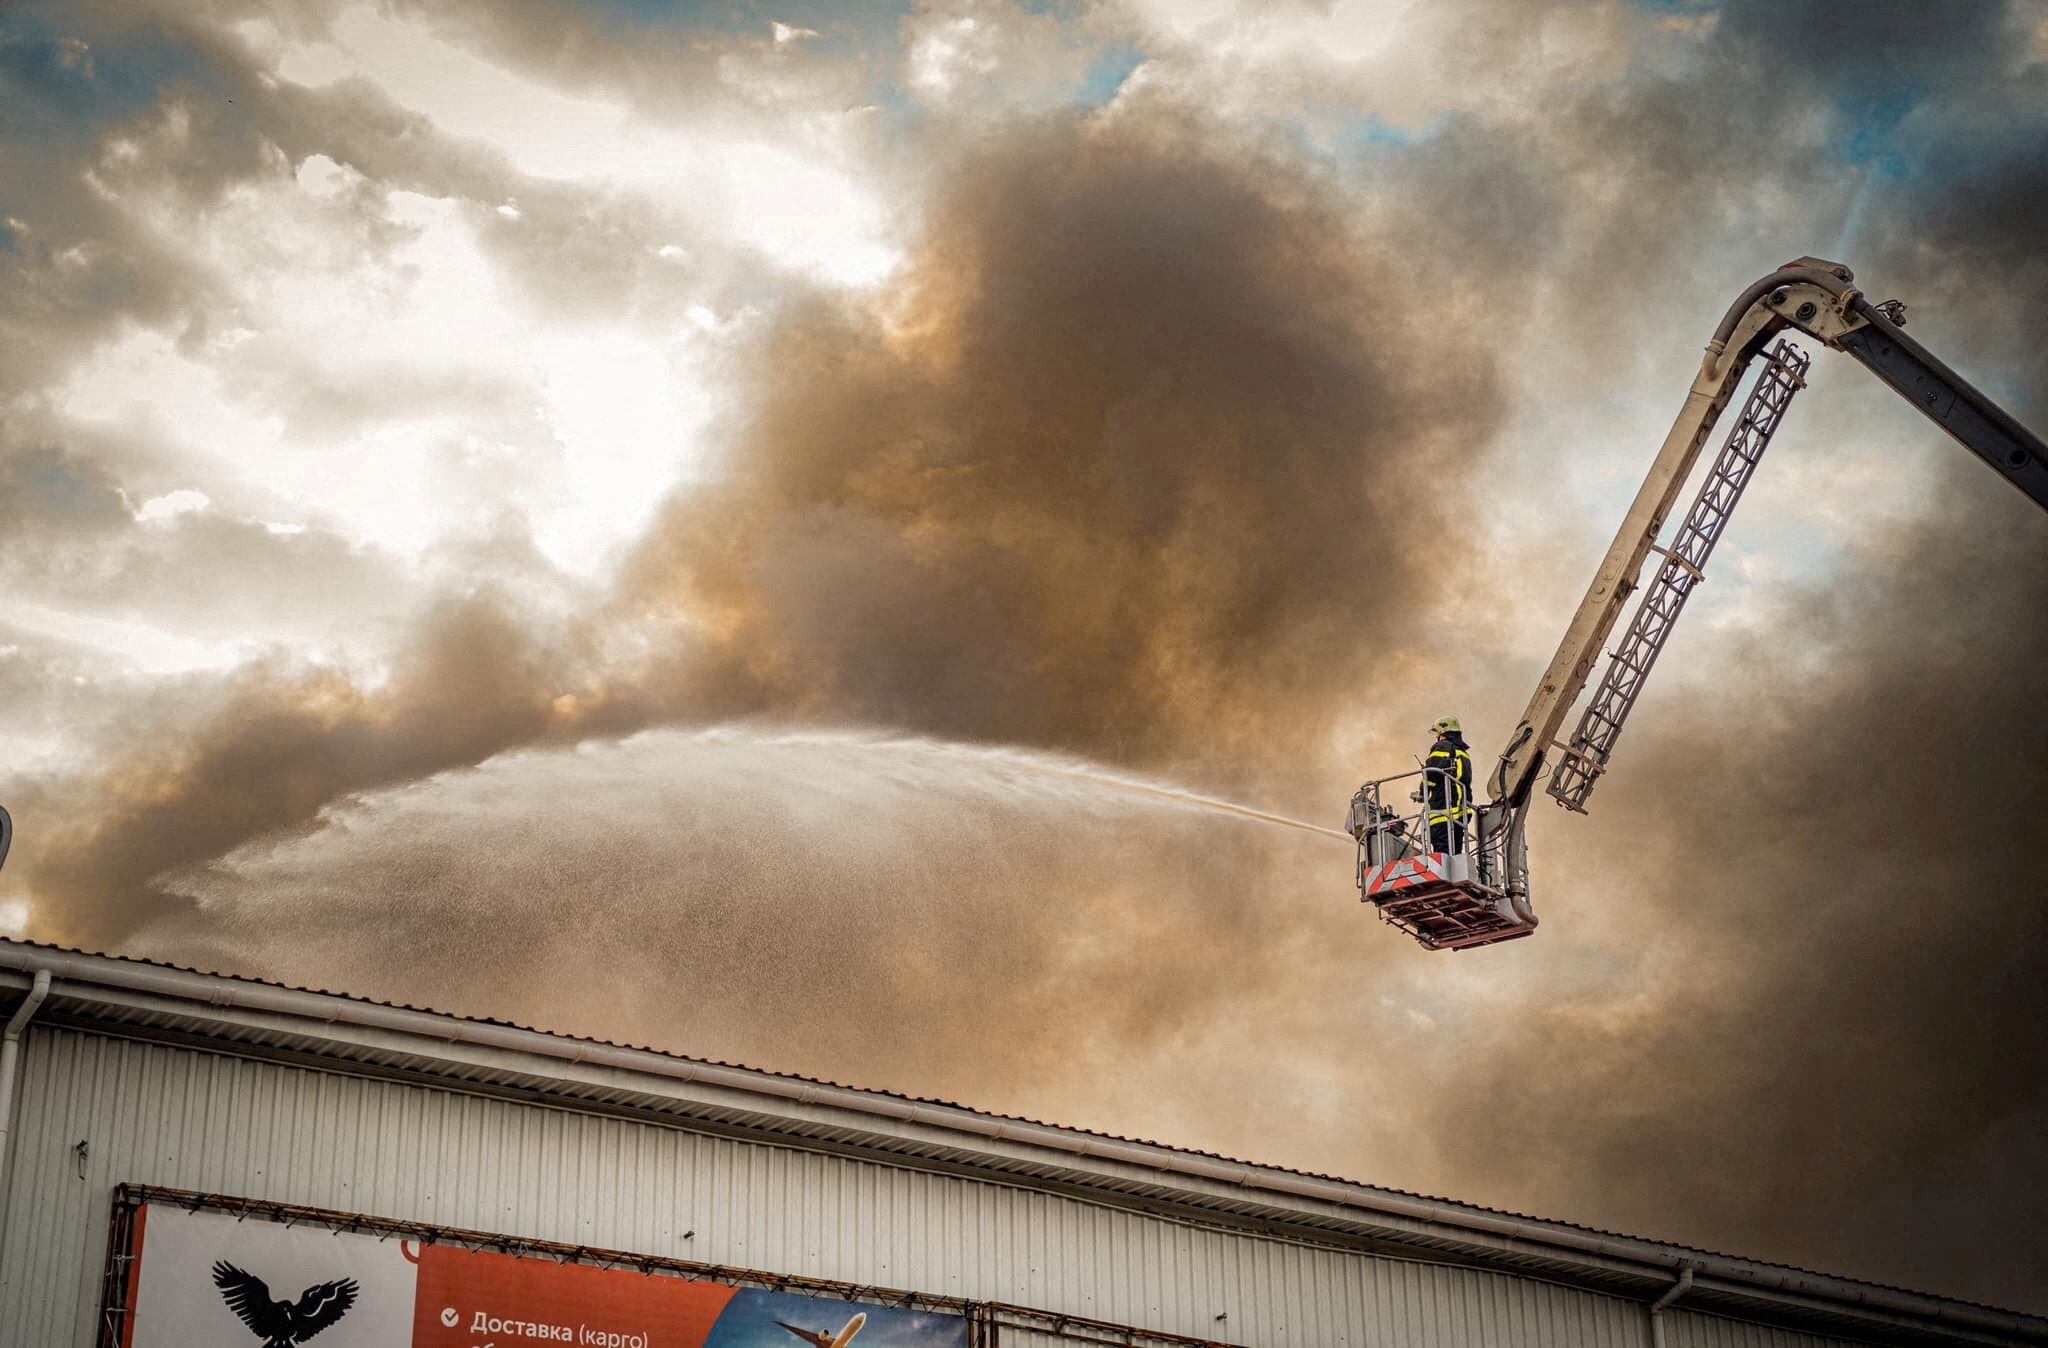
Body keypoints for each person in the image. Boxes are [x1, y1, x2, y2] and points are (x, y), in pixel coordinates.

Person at [1425, 715, 1472, 855]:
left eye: (1437, 733)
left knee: (1442, 853)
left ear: (1443, 732)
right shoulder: (1462, 753)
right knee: (1455, 852)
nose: (1437, 736)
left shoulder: (1442, 746)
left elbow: (1431, 774)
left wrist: (1423, 792)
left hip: (1443, 810)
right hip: (1460, 811)